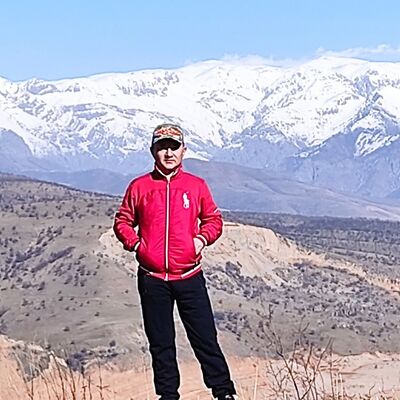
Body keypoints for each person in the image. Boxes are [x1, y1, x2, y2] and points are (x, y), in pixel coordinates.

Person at [113, 123, 237, 400]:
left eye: (174, 147)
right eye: (162, 147)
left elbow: (213, 219)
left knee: (205, 338)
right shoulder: (140, 186)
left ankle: (224, 392)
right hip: (152, 279)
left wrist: (200, 240)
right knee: (161, 343)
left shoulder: (196, 186)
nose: (168, 153)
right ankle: (168, 395)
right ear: (152, 151)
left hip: (189, 276)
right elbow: (122, 221)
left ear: (184, 151)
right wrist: (137, 245)